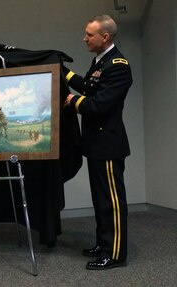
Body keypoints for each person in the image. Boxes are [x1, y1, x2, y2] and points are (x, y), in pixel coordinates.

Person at [63, 15, 132, 270]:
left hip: (108, 145)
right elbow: (89, 87)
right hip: (96, 144)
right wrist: (64, 72)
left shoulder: (119, 65)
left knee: (111, 202)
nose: (84, 38)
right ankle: (103, 244)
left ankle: (114, 254)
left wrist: (73, 101)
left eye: (89, 34)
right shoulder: (100, 62)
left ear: (105, 37)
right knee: (100, 199)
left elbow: (99, 105)